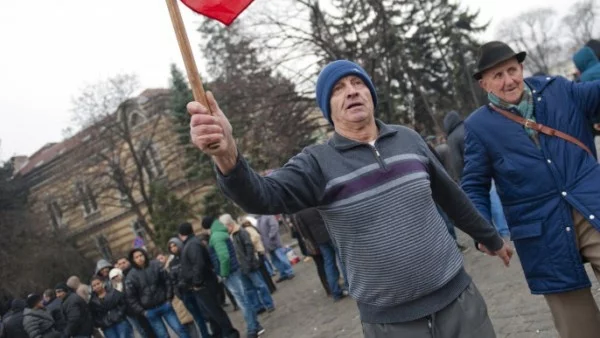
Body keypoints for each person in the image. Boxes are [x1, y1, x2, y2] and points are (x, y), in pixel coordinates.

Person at [187, 59, 512, 337]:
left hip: (459, 300)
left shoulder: (408, 139)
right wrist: (228, 156)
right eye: (339, 88)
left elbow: (451, 197)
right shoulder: (316, 162)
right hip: (392, 324)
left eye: (358, 83)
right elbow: (262, 196)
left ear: (371, 95)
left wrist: (491, 238)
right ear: (328, 108)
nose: (352, 90)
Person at [461, 40, 600, 338]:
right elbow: (473, 184)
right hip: (541, 231)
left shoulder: (559, 90)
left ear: (521, 68)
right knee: (579, 327)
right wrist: (484, 231)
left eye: (512, 70)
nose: (508, 80)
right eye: (497, 75)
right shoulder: (478, 127)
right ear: (484, 83)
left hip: (591, 205)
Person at [202, 216, 264, 338]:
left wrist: (223, 273)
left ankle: (252, 328)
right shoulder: (220, 233)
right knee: (244, 298)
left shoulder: (216, 236)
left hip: (230, 273)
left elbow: (224, 257)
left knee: (242, 301)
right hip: (234, 270)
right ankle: (256, 325)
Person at [178, 222, 240, 338]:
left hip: (204, 285)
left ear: (181, 234)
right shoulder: (192, 243)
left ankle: (230, 334)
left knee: (216, 312)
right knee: (210, 314)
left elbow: (198, 264)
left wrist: (197, 282)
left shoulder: (192, 245)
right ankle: (219, 334)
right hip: (202, 285)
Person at [124, 248, 189, 338]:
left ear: (144, 255)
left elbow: (167, 281)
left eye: (141, 255)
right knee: (163, 335)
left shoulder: (155, 265)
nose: (140, 258)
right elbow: (131, 298)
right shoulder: (131, 276)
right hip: (150, 311)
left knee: (179, 329)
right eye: (136, 257)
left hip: (164, 304)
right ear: (133, 260)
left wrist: (169, 298)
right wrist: (143, 312)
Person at [219, 214, 275, 317]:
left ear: (229, 224)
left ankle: (269, 304)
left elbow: (249, 246)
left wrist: (249, 261)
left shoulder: (241, 232)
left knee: (260, 285)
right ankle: (258, 306)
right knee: (249, 289)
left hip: (249, 264)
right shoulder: (228, 236)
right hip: (239, 267)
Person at [292, 208, 347, 301]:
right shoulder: (315, 205)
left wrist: (314, 243)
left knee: (329, 264)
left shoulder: (299, 213)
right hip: (330, 234)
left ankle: (335, 291)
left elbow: (305, 232)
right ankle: (349, 286)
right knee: (342, 260)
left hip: (319, 240)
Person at [166, 237, 210, 338]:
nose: (173, 248)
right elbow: (173, 280)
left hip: (195, 289)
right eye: (170, 247)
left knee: (207, 314)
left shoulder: (186, 256)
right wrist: (178, 292)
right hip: (185, 293)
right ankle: (205, 335)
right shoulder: (172, 263)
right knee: (198, 317)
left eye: (174, 245)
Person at [290, 211, 331, 296]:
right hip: (313, 243)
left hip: (310, 243)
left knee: (321, 264)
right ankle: (329, 287)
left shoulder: (294, 215)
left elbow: (296, 233)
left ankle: (328, 287)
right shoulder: (298, 214)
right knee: (322, 264)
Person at [239, 217, 276, 294]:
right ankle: (271, 287)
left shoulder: (248, 229)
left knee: (263, 272)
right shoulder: (252, 228)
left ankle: (270, 288)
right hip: (260, 250)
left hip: (258, 251)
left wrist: (250, 242)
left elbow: (255, 237)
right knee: (264, 271)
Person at [256, 215, 295, 283]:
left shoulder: (268, 216)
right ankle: (283, 274)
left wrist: (271, 236)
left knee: (282, 258)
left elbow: (274, 226)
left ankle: (289, 272)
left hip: (274, 242)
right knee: (275, 261)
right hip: (267, 244)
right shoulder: (258, 220)